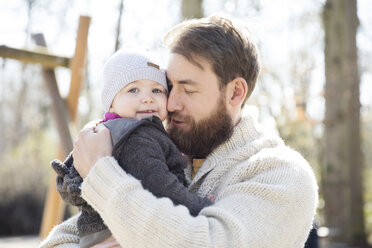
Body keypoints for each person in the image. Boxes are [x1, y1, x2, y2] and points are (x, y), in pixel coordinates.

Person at [40, 15, 318, 248]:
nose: (170, 104)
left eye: (188, 89)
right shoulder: (161, 149)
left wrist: (101, 172)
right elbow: (61, 239)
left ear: (235, 92)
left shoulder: (282, 174)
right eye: (169, 87)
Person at [49, 49, 212, 248]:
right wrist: (199, 206)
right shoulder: (138, 136)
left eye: (157, 90)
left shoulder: (104, 133)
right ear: (111, 103)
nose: (147, 98)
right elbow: (158, 183)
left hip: (95, 234)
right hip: (120, 234)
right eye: (133, 90)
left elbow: (71, 183)